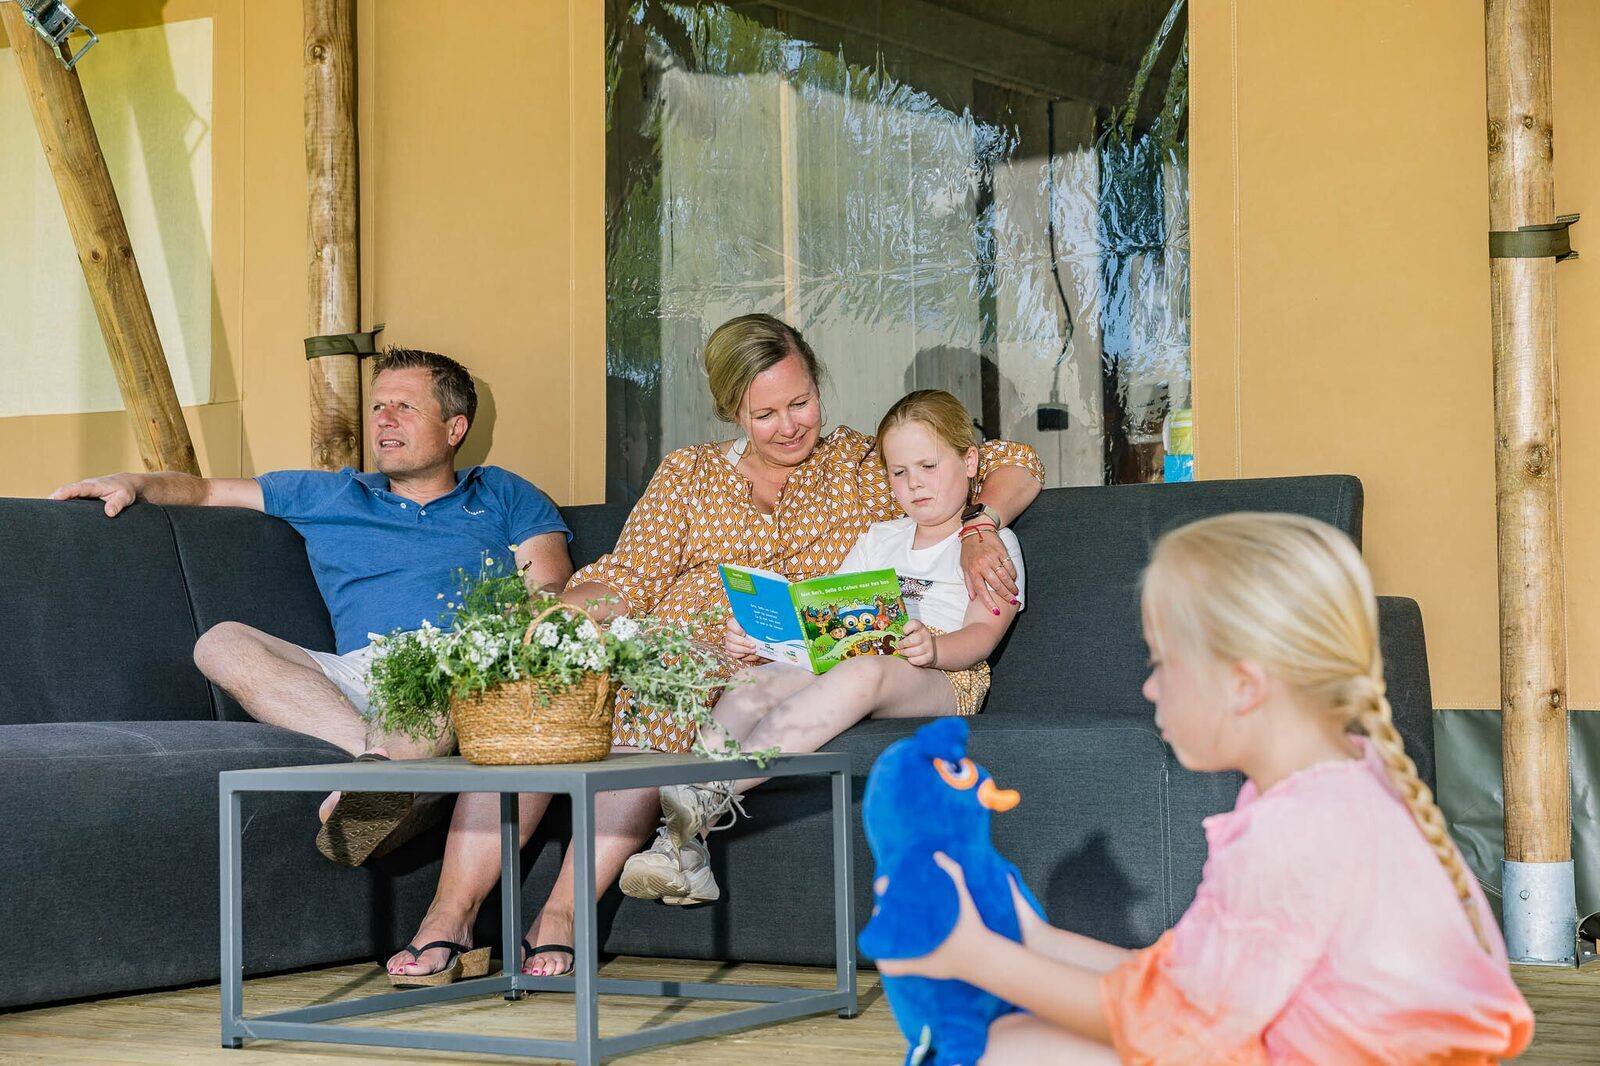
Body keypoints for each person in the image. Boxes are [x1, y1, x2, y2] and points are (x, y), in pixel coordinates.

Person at [388, 314, 1044, 983]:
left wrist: (980, 526)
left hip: (762, 661)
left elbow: (1011, 461)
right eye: (765, 414)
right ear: (730, 409)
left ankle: (561, 914)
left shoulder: (863, 463)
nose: (790, 426)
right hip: (665, 642)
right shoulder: (689, 474)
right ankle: (448, 918)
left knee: (652, 703)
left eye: (801, 403)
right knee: (543, 695)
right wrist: (556, 624)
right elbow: (627, 578)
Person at [875, 512, 1534, 1064]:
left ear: (1245, 685)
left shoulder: (1297, 832)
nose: (1149, 687)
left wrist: (971, 952)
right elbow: (1187, 978)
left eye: (1162, 662)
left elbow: (1176, 1022)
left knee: (1005, 1050)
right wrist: (1035, 939)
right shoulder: (1334, 786)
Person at [48, 347, 574, 867]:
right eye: (377, 407)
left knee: (433, 689)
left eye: (404, 407)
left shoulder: (504, 492)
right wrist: (134, 483)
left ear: (455, 428)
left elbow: (549, 588)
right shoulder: (330, 495)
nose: (383, 420)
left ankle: (391, 783)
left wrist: (489, 653)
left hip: (461, 665)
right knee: (221, 642)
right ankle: (384, 776)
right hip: (357, 672)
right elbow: (205, 490)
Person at [618, 388, 1025, 905]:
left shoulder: (991, 545)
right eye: (899, 473)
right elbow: (827, 617)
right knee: (757, 679)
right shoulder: (880, 537)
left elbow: (984, 636)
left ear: (970, 463)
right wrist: (768, 638)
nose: (914, 484)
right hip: (862, 652)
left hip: (946, 674)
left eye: (928, 465)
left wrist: (935, 650)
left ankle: (710, 789)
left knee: (865, 672)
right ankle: (681, 846)